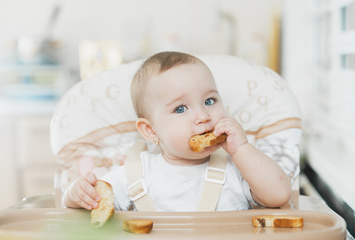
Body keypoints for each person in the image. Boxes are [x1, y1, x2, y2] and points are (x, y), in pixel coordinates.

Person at [63, 51, 300, 211]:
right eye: (181, 108)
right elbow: (95, 200)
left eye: (209, 101)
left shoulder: (237, 166)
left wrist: (241, 148)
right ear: (149, 130)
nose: (203, 116)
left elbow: (279, 195)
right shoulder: (137, 173)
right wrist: (75, 195)